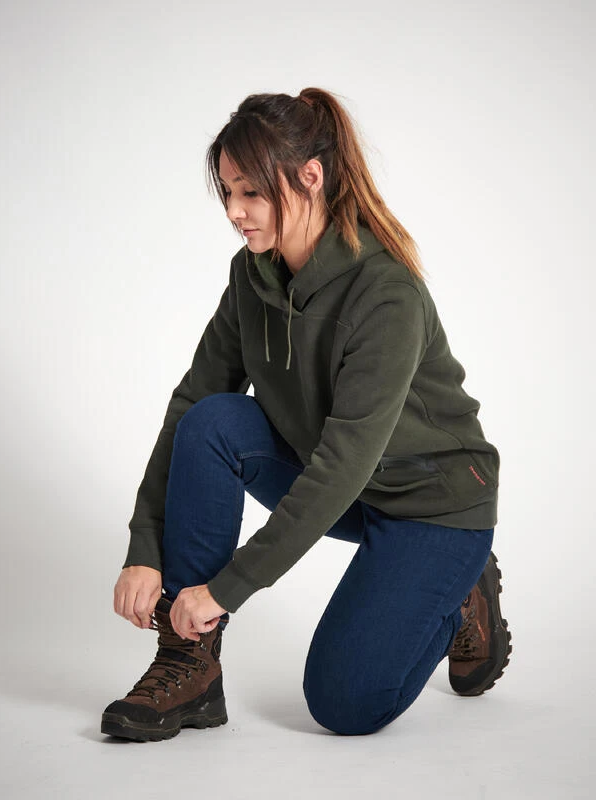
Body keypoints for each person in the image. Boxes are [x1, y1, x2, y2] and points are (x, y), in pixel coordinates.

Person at [101, 87, 511, 742]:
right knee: (212, 422)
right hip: (349, 486)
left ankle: (462, 596)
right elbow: (191, 404)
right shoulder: (252, 276)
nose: (234, 211)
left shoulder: (386, 294)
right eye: (227, 192)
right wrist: (145, 549)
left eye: (250, 192)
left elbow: (342, 467)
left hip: (432, 506)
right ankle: (189, 664)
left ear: (310, 177)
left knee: (345, 704)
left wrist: (227, 588)